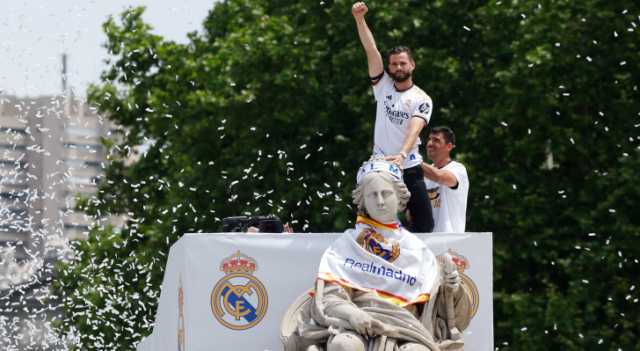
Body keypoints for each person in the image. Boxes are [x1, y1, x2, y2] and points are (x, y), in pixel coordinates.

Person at [281, 156, 472, 351]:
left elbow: (440, 311)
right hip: (356, 326)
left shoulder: (418, 250)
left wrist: (452, 290)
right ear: (362, 200)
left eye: (386, 193)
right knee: (343, 345)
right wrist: (352, 314)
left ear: (400, 198)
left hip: (407, 329)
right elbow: (330, 298)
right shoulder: (347, 245)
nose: (380, 201)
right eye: (372, 195)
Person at [351, 1, 434, 233]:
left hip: (408, 166)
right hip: (380, 166)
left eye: (403, 63)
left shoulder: (421, 98)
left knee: (425, 225)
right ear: (389, 68)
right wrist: (359, 19)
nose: (398, 67)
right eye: (394, 64)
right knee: (368, 221)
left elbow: (414, 128)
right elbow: (371, 50)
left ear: (412, 65)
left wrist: (402, 154)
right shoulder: (383, 86)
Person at [421, 126, 469, 233]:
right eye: (429, 139)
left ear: (449, 146)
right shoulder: (425, 175)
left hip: (451, 242)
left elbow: (440, 177)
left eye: (436, 140)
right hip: (427, 240)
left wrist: (412, 160)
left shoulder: (458, 169)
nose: (430, 144)